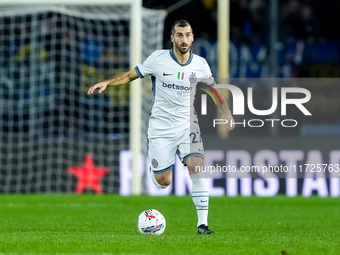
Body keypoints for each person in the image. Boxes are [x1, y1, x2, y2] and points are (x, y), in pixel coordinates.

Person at [88, 20, 235, 234]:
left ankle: (202, 225)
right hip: (160, 127)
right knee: (164, 181)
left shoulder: (200, 64)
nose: (184, 39)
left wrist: (226, 111)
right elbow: (130, 75)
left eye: (188, 35)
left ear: (192, 38)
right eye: (179, 35)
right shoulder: (158, 59)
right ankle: (155, 168)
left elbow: (213, 89)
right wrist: (107, 82)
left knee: (197, 167)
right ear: (172, 38)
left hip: (188, 125)